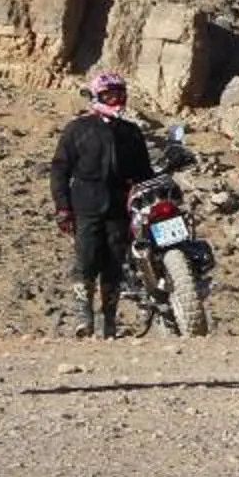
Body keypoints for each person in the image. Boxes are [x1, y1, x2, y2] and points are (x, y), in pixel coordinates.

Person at [51, 69, 154, 338]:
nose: (116, 99)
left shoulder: (131, 132)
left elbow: (145, 173)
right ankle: (83, 316)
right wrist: (63, 208)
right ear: (97, 96)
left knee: (114, 265)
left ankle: (108, 320)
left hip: (120, 208)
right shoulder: (78, 129)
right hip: (85, 206)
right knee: (86, 262)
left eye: (120, 94)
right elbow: (60, 169)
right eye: (109, 95)